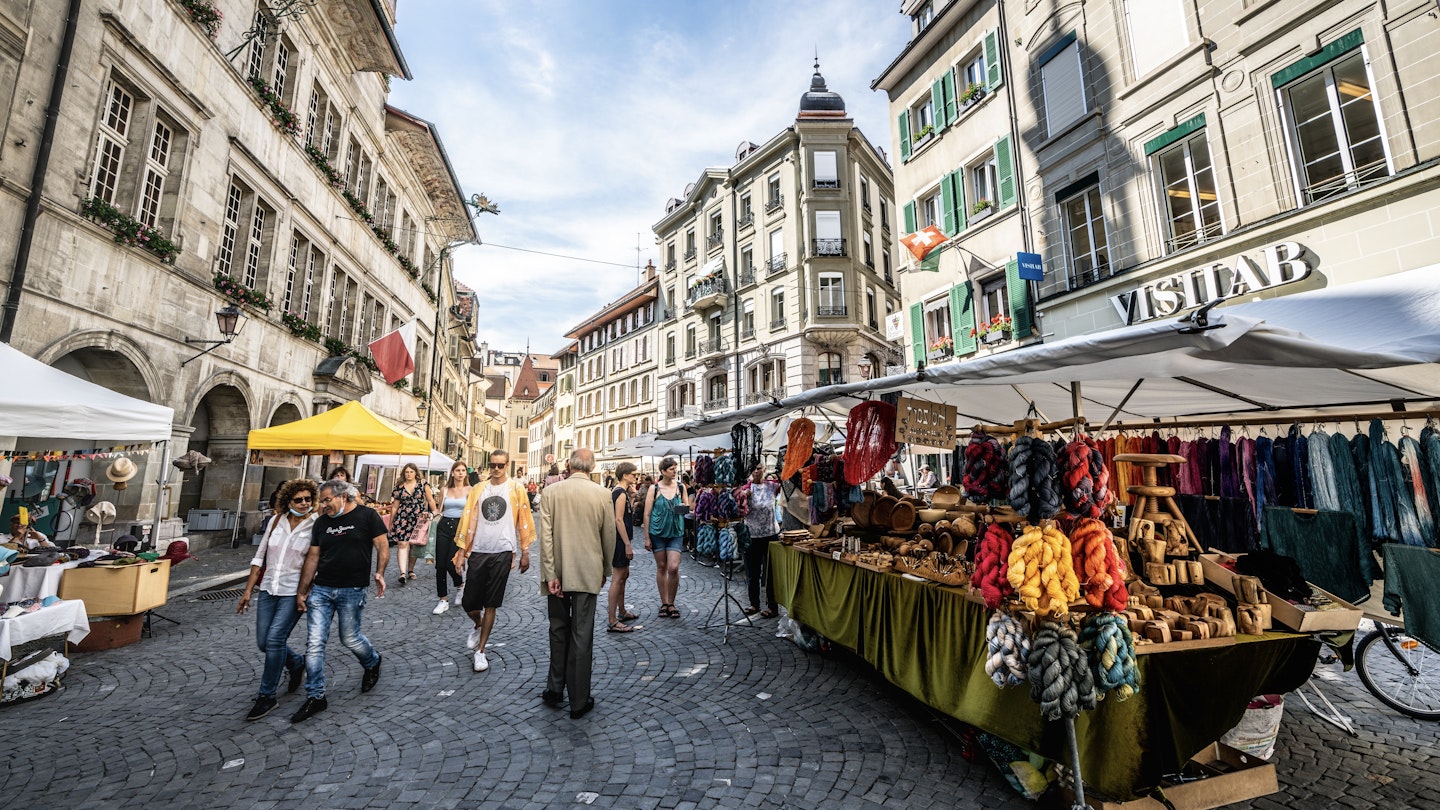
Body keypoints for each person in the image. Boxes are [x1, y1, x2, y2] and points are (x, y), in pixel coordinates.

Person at [291, 478, 387, 724]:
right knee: (314, 643)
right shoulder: (322, 523)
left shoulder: (367, 516)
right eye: (321, 502)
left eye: (327, 500)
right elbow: (313, 557)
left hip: (352, 588)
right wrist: (303, 591)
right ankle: (316, 696)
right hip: (322, 590)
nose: (323, 506)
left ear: (343, 496)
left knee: (350, 638)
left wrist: (380, 572)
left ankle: (372, 661)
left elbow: (382, 545)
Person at [537, 448, 615, 719]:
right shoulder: (603, 494)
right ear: (591, 466)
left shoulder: (551, 492)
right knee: (582, 635)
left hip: (557, 572)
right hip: (587, 572)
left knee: (558, 630)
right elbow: (609, 538)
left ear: (569, 465)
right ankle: (578, 700)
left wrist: (550, 573)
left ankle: (554, 688)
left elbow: (545, 538)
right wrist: (605, 569)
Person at [237, 479, 318, 720]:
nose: (304, 504)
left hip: (293, 591)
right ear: (287, 501)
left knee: (274, 640)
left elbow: (315, 564)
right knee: (264, 642)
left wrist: (305, 592)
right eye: (298, 500)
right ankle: (295, 663)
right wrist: (248, 591)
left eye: (307, 499)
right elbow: (259, 557)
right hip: (268, 589)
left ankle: (267, 696)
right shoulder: (275, 522)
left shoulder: (315, 525)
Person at [450, 449, 533, 673]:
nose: (496, 469)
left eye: (501, 465)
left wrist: (525, 551)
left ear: (507, 465)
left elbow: (524, 521)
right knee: (469, 602)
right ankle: (477, 623)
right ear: (489, 465)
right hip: (478, 550)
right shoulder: (478, 489)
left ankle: (481, 651)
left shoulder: (516, 489)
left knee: (491, 604)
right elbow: (466, 521)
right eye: (493, 465)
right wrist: (461, 552)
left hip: (503, 551)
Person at [643, 457, 690, 619]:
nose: (675, 471)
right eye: (671, 468)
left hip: (676, 531)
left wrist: (683, 508)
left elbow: (687, 507)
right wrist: (647, 537)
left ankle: (672, 602)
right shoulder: (654, 489)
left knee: (673, 567)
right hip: (658, 532)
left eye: (675, 468)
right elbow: (647, 514)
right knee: (662, 567)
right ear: (663, 471)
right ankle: (665, 603)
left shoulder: (681, 487)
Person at [390, 462, 438, 586]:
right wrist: (391, 522)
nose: (409, 474)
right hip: (402, 518)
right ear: (403, 473)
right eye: (407, 472)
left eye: (411, 472)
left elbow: (430, 500)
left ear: (416, 472)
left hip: (418, 519)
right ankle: (402, 573)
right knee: (402, 543)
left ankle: (410, 569)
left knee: (413, 545)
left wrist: (435, 513)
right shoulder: (399, 487)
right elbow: (395, 507)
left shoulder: (423, 485)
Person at [432, 461, 470, 615]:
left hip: (460, 527)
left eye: (463, 470)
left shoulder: (470, 490)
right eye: (457, 470)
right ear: (452, 472)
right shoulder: (445, 489)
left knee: (450, 563)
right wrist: (430, 514)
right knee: (440, 565)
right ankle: (443, 599)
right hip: (444, 525)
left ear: (466, 473)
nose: (460, 473)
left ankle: (460, 585)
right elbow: (439, 509)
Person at [742, 466, 781, 619]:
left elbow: (786, 483)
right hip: (751, 535)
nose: (757, 471)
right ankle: (754, 603)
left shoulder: (772, 485)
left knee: (770, 572)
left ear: (764, 469)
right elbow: (738, 501)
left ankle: (773, 606)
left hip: (770, 534)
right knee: (753, 571)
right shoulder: (746, 487)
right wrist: (744, 496)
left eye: (759, 468)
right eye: (754, 469)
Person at [606, 462, 640, 633]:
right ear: (625, 475)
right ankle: (612, 620)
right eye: (634, 474)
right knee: (618, 578)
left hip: (620, 540)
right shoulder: (619, 493)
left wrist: (632, 497)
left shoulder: (622, 493)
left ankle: (622, 611)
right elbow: (618, 519)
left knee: (624, 575)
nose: (636, 477)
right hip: (619, 541)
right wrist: (627, 544)